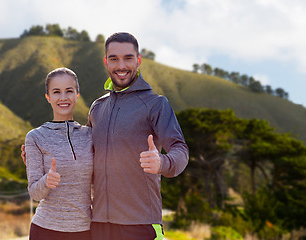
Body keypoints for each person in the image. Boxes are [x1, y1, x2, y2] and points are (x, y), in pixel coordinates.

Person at [22, 32, 189, 240]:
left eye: (128, 58)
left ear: (138, 60)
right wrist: (39, 156)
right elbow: (86, 155)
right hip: (99, 224)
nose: (121, 65)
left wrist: (162, 162)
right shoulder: (98, 108)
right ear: (106, 62)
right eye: (114, 59)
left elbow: (180, 150)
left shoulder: (156, 104)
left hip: (140, 223)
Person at [25, 67, 93, 240]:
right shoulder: (35, 137)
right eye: (56, 92)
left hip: (85, 230)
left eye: (69, 91)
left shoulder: (91, 135)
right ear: (48, 97)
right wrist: (46, 181)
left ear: (77, 94)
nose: (63, 97)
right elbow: (35, 193)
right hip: (46, 230)